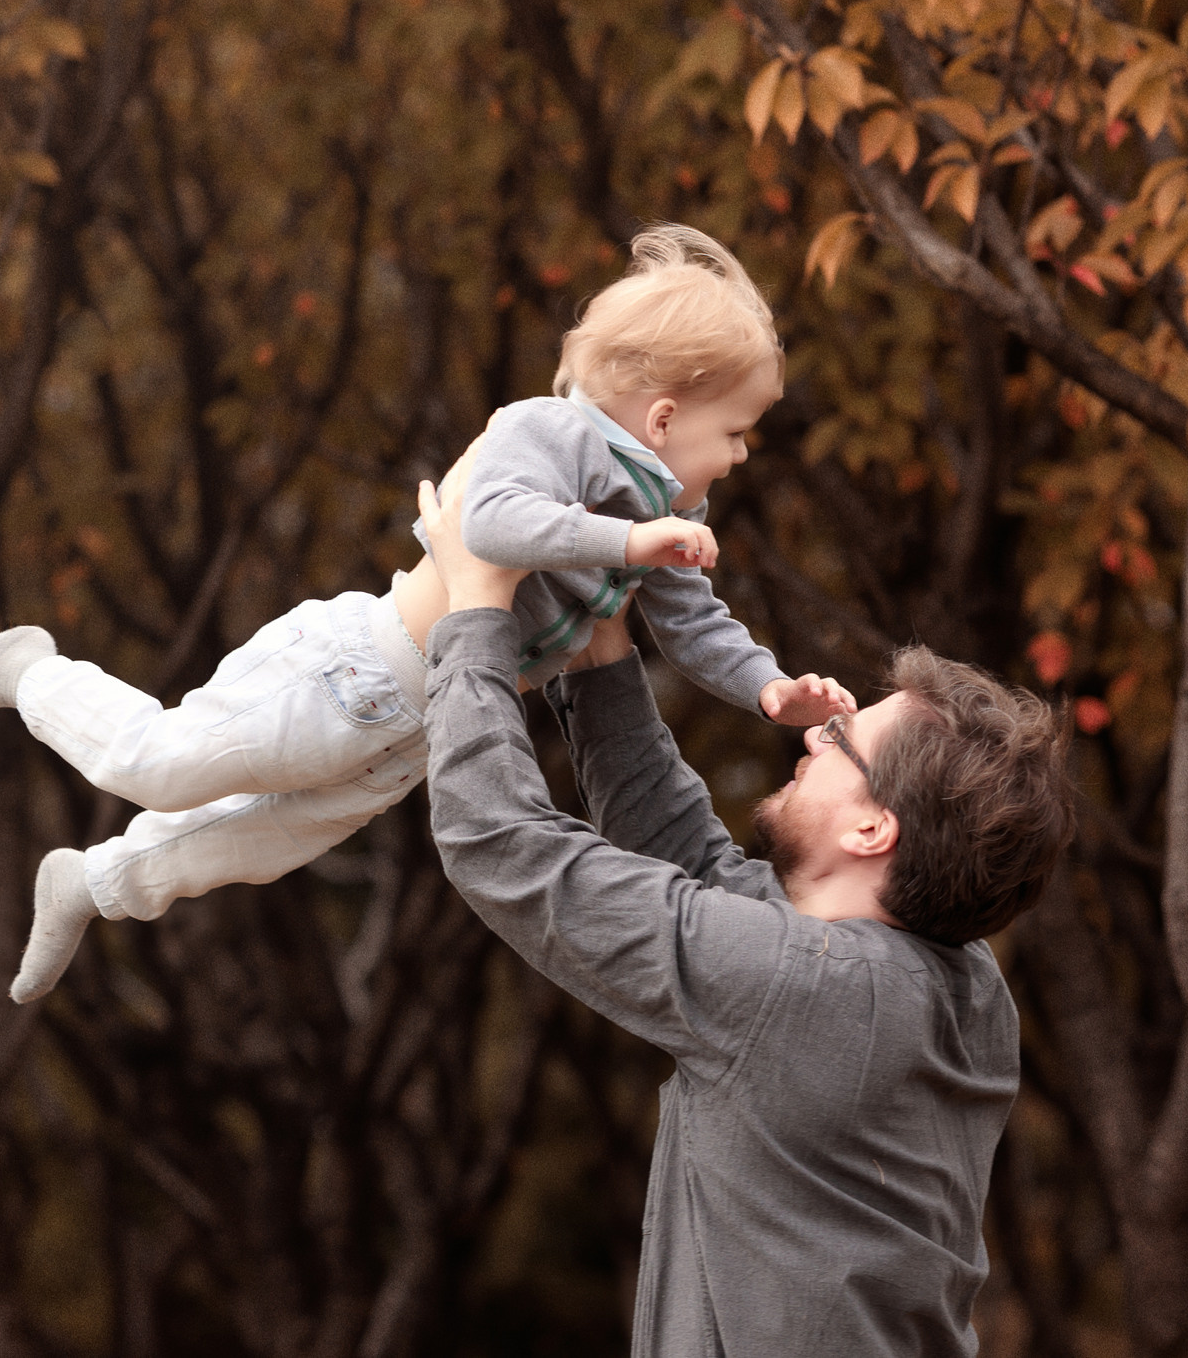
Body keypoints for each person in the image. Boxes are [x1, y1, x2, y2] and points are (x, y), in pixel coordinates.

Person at [0, 225, 852, 1002]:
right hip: (358, 665)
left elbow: (697, 625)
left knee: (259, 842)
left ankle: (94, 882)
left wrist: (769, 689)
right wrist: (628, 547)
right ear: (661, 416)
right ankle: (30, 668)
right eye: (732, 433)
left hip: (421, 726)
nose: (735, 458)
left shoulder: (669, 516)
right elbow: (489, 520)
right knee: (158, 764)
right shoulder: (548, 432)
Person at [417, 459, 1076, 1357]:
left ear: (875, 827)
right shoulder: (961, 989)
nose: (815, 732)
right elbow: (697, 868)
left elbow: (498, 841)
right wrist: (603, 645)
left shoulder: (803, 989)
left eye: (842, 740)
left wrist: (476, 609)